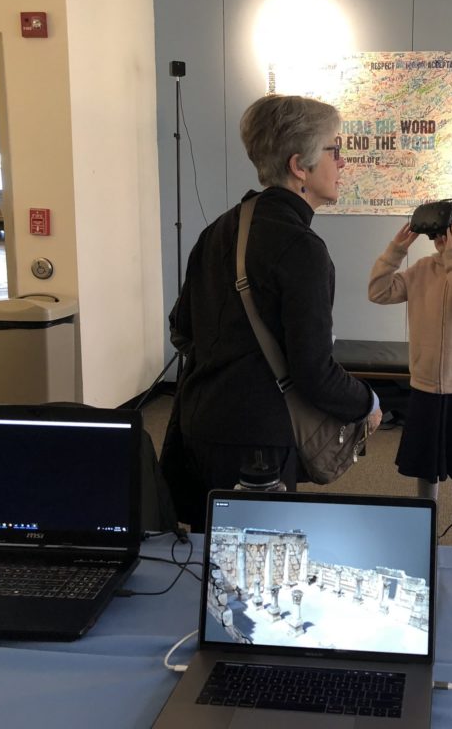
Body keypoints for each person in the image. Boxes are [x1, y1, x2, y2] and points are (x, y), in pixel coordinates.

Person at [162, 94, 382, 531]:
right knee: (254, 574)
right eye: (335, 151)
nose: (343, 163)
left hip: (195, 425)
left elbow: (181, 328)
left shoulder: (220, 228)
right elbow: (314, 372)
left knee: (202, 566)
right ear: (300, 166)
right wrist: (368, 403)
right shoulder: (302, 249)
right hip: (257, 445)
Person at [368, 214, 452, 546]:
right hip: (426, 383)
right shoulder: (423, 268)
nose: (445, 236)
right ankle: (425, 536)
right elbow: (378, 292)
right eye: (442, 231)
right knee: (427, 468)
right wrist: (398, 249)